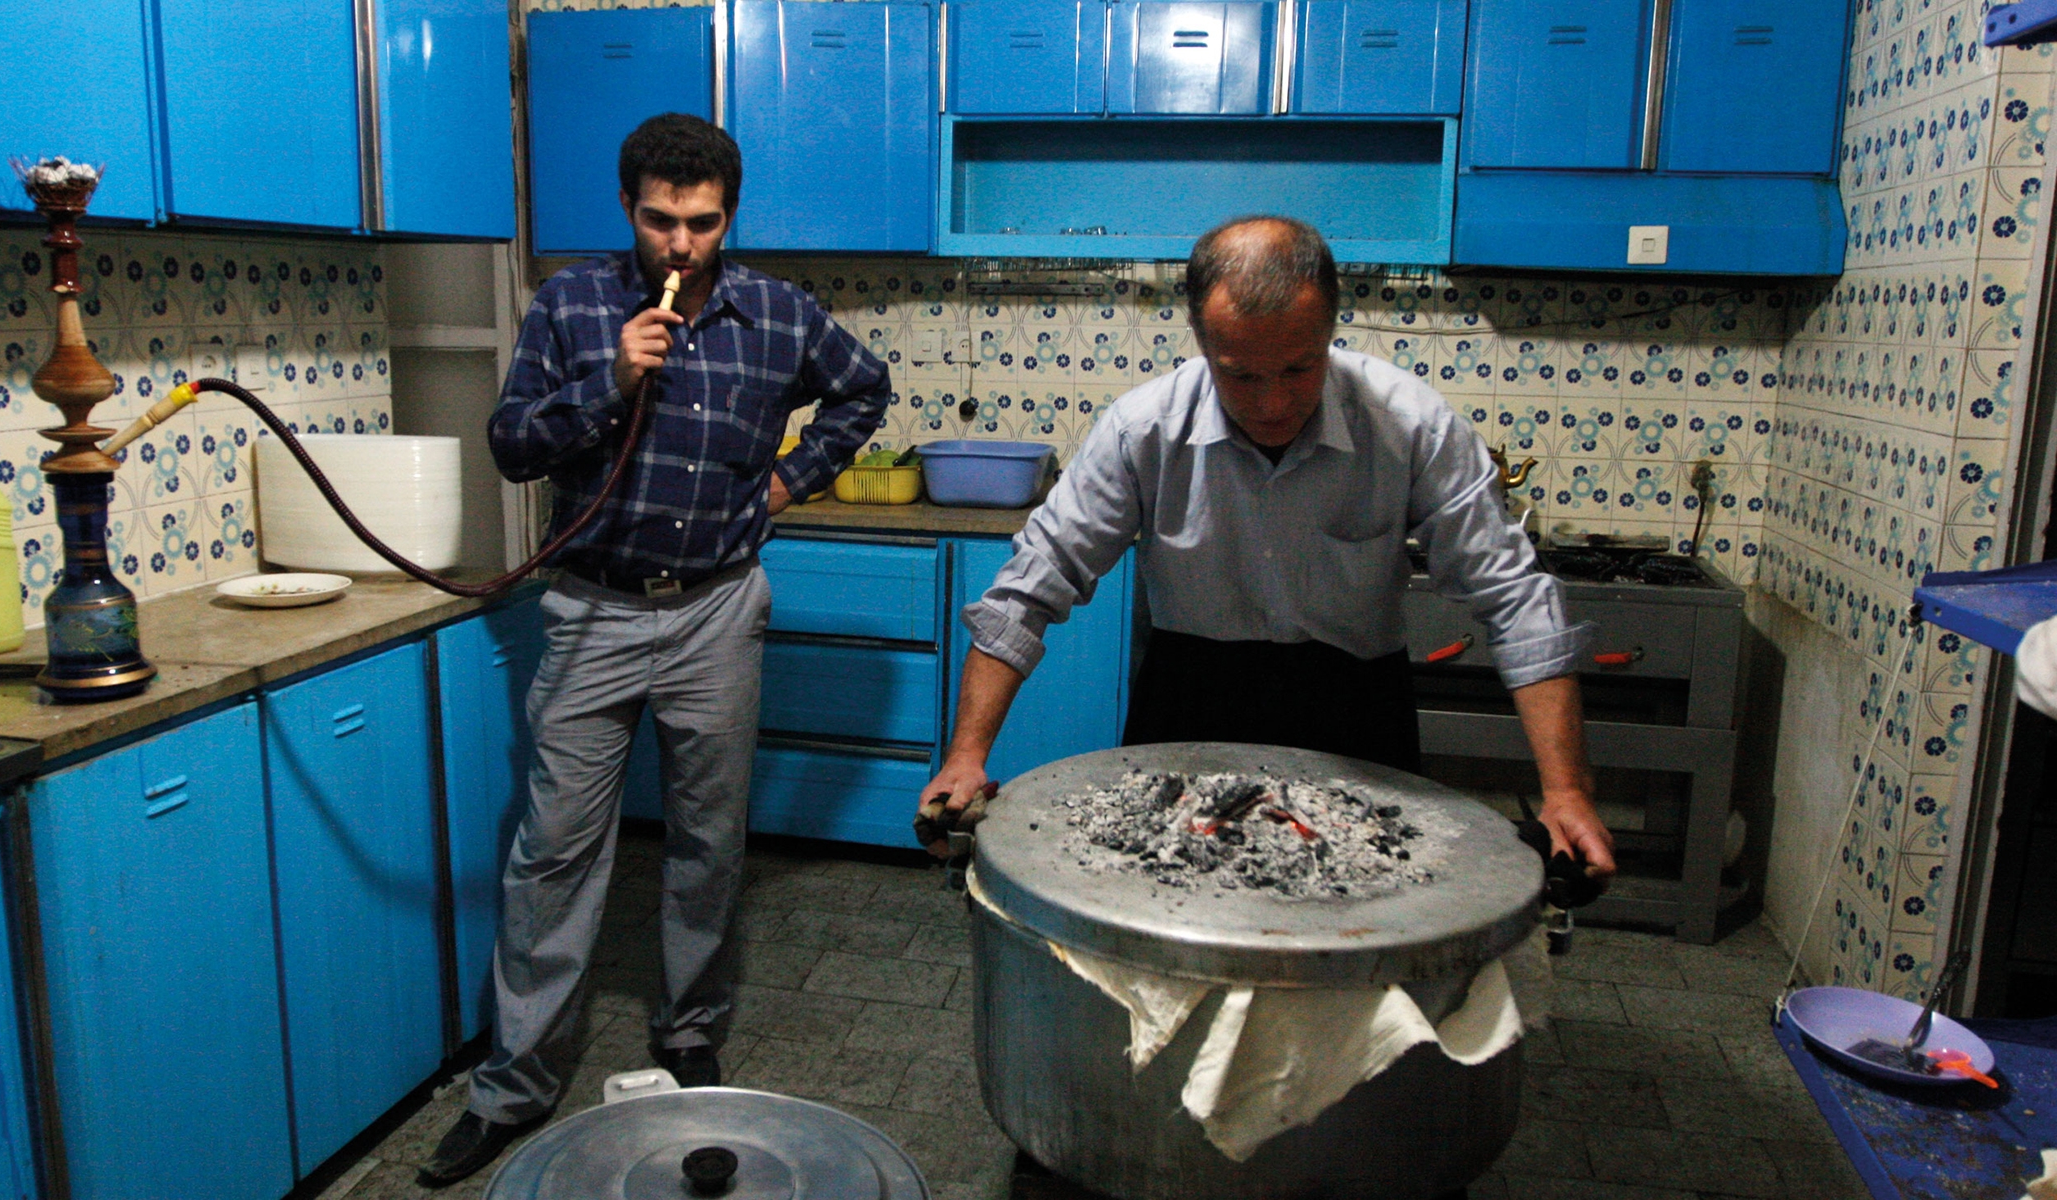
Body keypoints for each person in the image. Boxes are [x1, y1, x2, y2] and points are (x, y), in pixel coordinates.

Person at [419, 112, 891, 1187]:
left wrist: (783, 482)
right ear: (628, 209)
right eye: (659, 221)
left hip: (717, 609)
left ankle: (689, 1035)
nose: (680, 247)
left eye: (702, 224)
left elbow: (863, 390)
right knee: (554, 851)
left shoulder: (776, 312)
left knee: (708, 838)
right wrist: (612, 384)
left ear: (729, 217)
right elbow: (511, 445)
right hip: (590, 608)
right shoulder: (573, 304)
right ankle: (515, 1086)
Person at [917, 215, 1618, 881]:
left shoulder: (1413, 427)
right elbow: (1030, 591)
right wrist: (966, 756)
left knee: (1362, 924)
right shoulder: (1142, 431)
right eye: (1242, 375)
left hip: (1356, 707)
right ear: (1200, 341)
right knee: (1171, 912)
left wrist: (1568, 791)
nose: (1274, 402)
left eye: (1298, 369)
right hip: (1190, 700)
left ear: (1329, 331)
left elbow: (1517, 603)